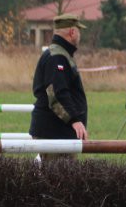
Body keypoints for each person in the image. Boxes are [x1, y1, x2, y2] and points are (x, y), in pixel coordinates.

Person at [29, 13, 89, 142]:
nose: (80, 35)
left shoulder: (61, 54)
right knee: (58, 163)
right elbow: (57, 93)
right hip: (54, 133)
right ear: (72, 32)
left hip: (58, 132)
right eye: (79, 31)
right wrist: (74, 120)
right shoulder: (57, 57)